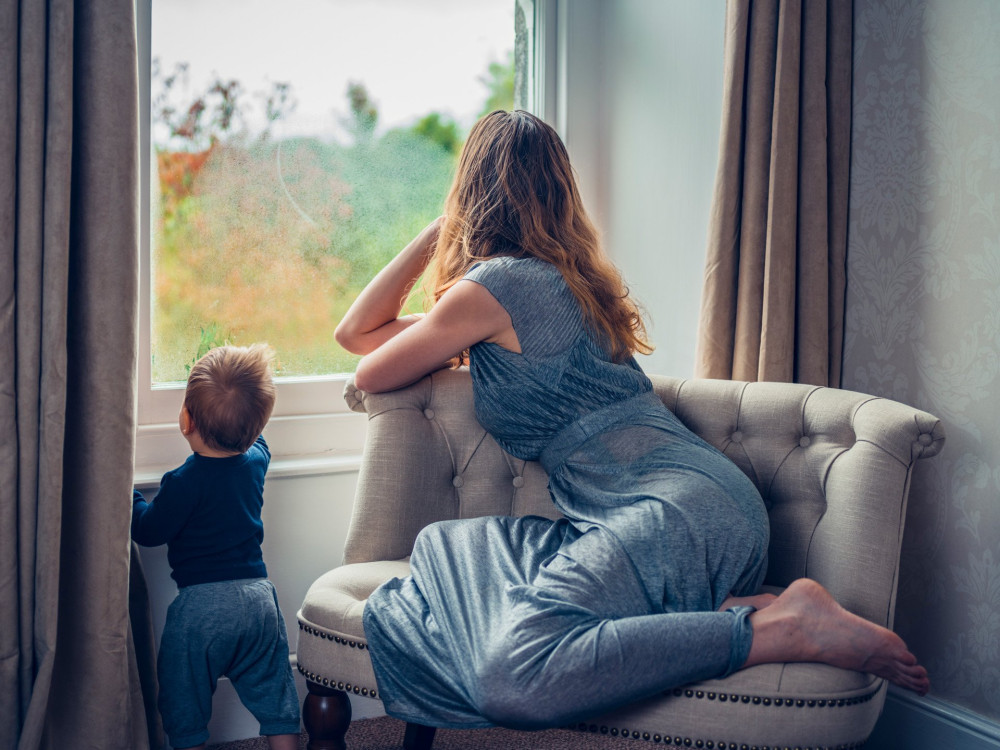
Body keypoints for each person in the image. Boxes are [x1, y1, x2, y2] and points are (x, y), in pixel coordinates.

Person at [334, 110, 929, 730]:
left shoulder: (492, 289)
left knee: (514, 673)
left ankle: (778, 631)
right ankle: (750, 605)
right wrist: (448, 228)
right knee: (456, 550)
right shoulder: (571, 285)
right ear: (560, 191)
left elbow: (363, 356)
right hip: (709, 509)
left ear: (472, 193)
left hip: (667, 514)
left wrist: (441, 227)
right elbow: (363, 337)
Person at [132, 344, 300, 750]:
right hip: (259, 599)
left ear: (185, 419)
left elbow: (149, 531)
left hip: (202, 608)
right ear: (257, 426)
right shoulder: (256, 460)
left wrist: (132, 495)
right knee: (275, 693)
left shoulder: (183, 482)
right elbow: (258, 441)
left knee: (182, 698)